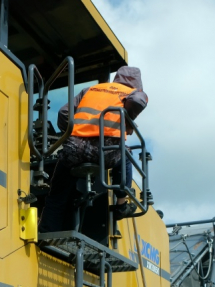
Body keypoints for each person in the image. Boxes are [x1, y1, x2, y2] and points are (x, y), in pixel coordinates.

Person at [39, 66, 149, 233]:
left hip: (75, 149)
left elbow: (63, 112)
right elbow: (138, 101)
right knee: (126, 153)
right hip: (105, 151)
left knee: (57, 191)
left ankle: (47, 230)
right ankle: (121, 204)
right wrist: (127, 117)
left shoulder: (90, 90)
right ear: (137, 83)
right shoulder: (131, 92)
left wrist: (71, 134)